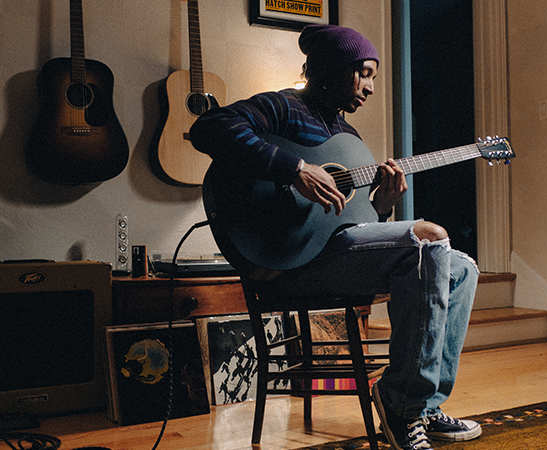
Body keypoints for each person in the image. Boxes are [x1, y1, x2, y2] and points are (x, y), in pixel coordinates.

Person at [189, 24, 481, 449]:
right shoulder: (284, 108)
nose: (371, 86)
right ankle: (398, 405)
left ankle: (423, 405)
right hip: (288, 264)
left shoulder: (349, 139)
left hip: (332, 257)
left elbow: (359, 226)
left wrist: (383, 203)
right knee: (430, 237)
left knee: (461, 268)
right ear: (331, 68)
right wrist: (295, 169)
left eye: (374, 76)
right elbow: (209, 127)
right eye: (363, 72)